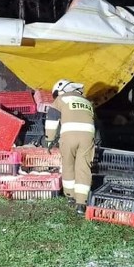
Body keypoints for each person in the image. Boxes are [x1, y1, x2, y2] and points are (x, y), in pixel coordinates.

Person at [46, 79, 95, 215]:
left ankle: (70, 196)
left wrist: (49, 140)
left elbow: (52, 119)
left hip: (69, 137)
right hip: (87, 137)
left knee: (68, 165)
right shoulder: (87, 101)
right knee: (84, 167)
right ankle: (81, 203)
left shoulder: (61, 99)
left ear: (60, 90)